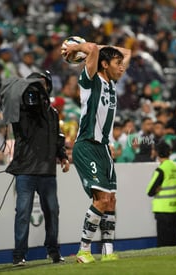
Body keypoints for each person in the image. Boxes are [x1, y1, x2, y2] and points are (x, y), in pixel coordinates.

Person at [62, 40, 131, 263]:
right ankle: (83, 250)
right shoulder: (90, 80)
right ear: (103, 65)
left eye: (122, 64)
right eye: (117, 63)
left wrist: (107, 51)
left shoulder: (112, 83)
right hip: (87, 145)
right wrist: (77, 48)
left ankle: (108, 252)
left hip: (103, 148)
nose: (122, 67)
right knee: (100, 199)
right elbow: (92, 50)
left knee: (111, 200)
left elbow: (127, 51)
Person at [0, 71, 70, 266]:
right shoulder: (20, 110)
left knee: (52, 212)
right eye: (34, 85)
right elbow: (8, 97)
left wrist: (63, 156)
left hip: (47, 171)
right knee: (23, 212)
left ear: (48, 87)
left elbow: (58, 138)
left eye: (42, 84)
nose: (39, 88)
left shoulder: (53, 114)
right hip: (25, 171)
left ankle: (54, 252)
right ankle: (19, 255)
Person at [146, 141, 176, 247]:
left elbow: (150, 191)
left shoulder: (161, 170)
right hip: (175, 207)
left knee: (163, 242)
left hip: (162, 209)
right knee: (173, 240)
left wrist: (157, 189)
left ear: (157, 153)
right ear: (169, 152)